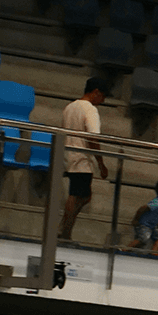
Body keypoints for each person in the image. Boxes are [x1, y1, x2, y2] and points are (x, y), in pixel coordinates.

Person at [59, 78, 111, 241]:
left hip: (69, 155)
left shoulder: (70, 107)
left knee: (81, 195)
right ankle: (64, 229)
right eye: (102, 96)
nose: (102, 101)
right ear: (95, 92)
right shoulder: (90, 110)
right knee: (77, 195)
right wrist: (101, 163)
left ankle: (65, 228)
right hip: (81, 158)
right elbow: (92, 138)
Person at [129, 178, 158, 253]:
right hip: (144, 226)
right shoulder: (157, 202)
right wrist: (136, 219)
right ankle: (126, 248)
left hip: (152, 228)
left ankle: (154, 251)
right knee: (144, 238)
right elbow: (143, 208)